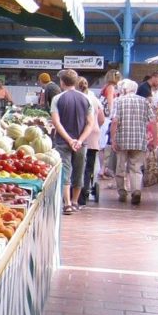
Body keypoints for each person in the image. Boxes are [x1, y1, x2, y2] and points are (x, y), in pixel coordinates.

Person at [50, 69, 95, 214]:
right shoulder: (86, 98)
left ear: (62, 82)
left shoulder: (58, 99)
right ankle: (75, 202)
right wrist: (80, 140)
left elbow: (56, 122)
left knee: (65, 171)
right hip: (81, 143)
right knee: (79, 171)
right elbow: (90, 123)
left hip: (63, 142)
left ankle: (67, 203)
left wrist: (69, 139)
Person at [110, 78, 154, 206]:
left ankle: (122, 192)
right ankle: (136, 191)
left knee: (120, 167)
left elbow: (114, 121)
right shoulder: (144, 101)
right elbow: (152, 121)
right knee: (136, 168)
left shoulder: (119, 101)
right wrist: (153, 139)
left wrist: (113, 139)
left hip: (122, 140)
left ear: (124, 89)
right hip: (139, 140)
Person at [75, 77, 105, 206]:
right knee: (89, 166)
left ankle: (76, 192)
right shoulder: (95, 99)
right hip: (93, 133)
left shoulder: (76, 98)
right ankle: (85, 190)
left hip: (78, 133)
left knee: (77, 164)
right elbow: (102, 119)